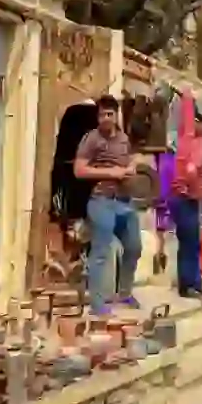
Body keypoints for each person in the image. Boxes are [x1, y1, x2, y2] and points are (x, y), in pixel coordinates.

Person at [74, 95, 142, 315]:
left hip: (123, 201)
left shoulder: (123, 138)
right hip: (100, 200)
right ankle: (97, 305)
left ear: (116, 115)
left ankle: (124, 294)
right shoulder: (91, 139)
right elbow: (79, 170)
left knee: (134, 247)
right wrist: (110, 172)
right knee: (101, 252)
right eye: (101, 114)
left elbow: (130, 158)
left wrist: (131, 167)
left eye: (109, 114)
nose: (105, 119)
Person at [170, 92, 202, 298]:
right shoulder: (190, 142)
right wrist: (188, 97)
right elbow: (190, 172)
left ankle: (195, 282)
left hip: (192, 199)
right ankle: (186, 285)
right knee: (188, 242)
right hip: (182, 198)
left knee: (194, 242)